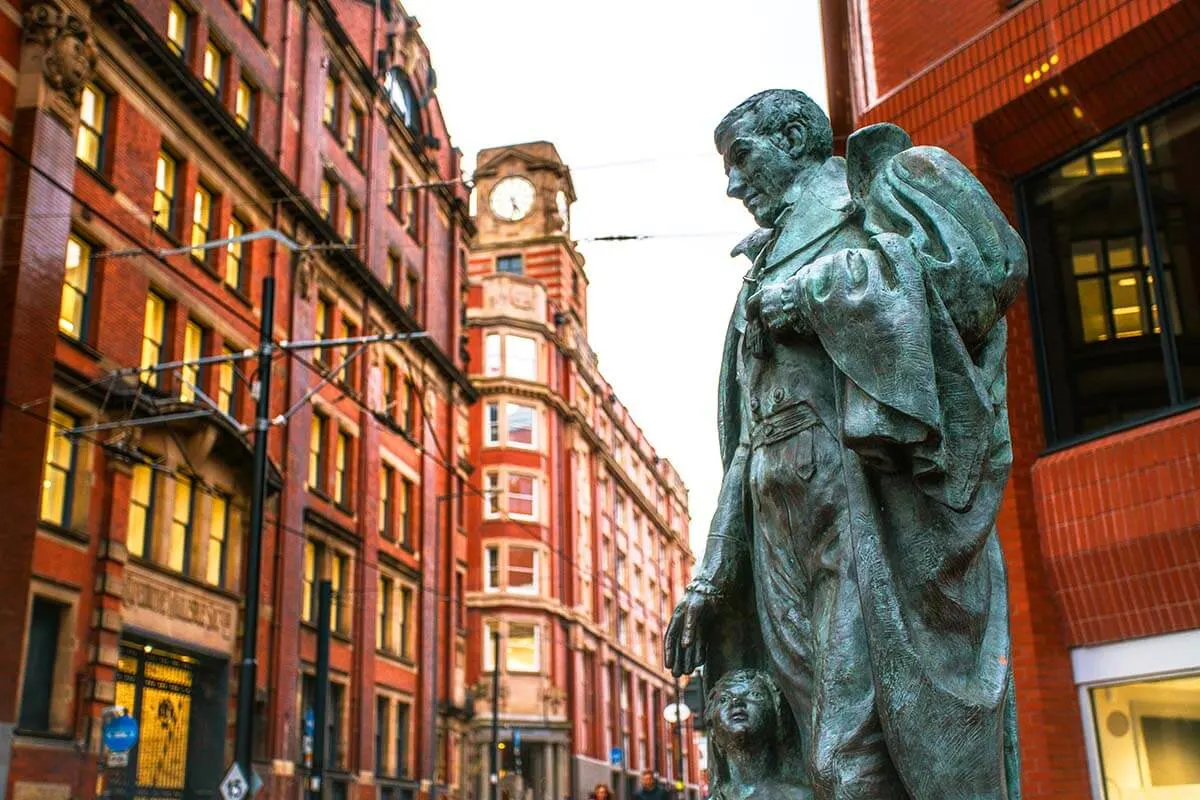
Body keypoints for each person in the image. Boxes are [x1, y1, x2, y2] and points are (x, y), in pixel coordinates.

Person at [663, 90, 1025, 799]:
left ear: (796, 136)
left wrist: (824, 294)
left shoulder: (880, 196)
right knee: (809, 749)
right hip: (777, 527)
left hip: (860, 510)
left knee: (847, 755)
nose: (733, 185)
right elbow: (745, 441)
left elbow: (984, 280)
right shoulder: (759, 266)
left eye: (742, 159)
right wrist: (711, 578)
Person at [707, 669, 810, 800]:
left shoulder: (801, 796)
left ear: (778, 719)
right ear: (713, 731)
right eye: (724, 699)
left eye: (754, 694)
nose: (736, 702)